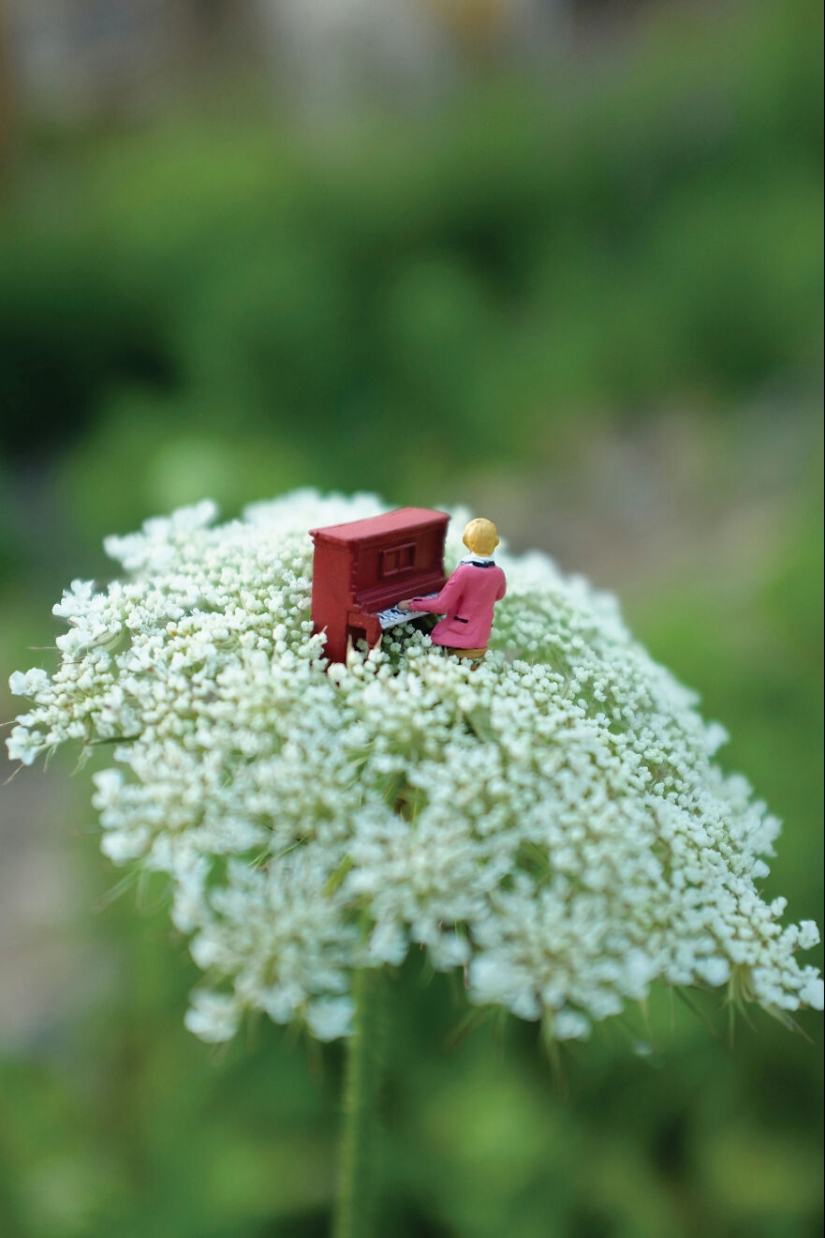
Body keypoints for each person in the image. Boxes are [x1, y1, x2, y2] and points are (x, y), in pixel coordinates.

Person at [398, 518, 506, 659]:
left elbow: (441, 605)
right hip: (482, 633)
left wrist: (411, 604)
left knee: (420, 634)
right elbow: (499, 595)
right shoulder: (498, 573)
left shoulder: (464, 571)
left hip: (460, 634)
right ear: (495, 543)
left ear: (467, 542)